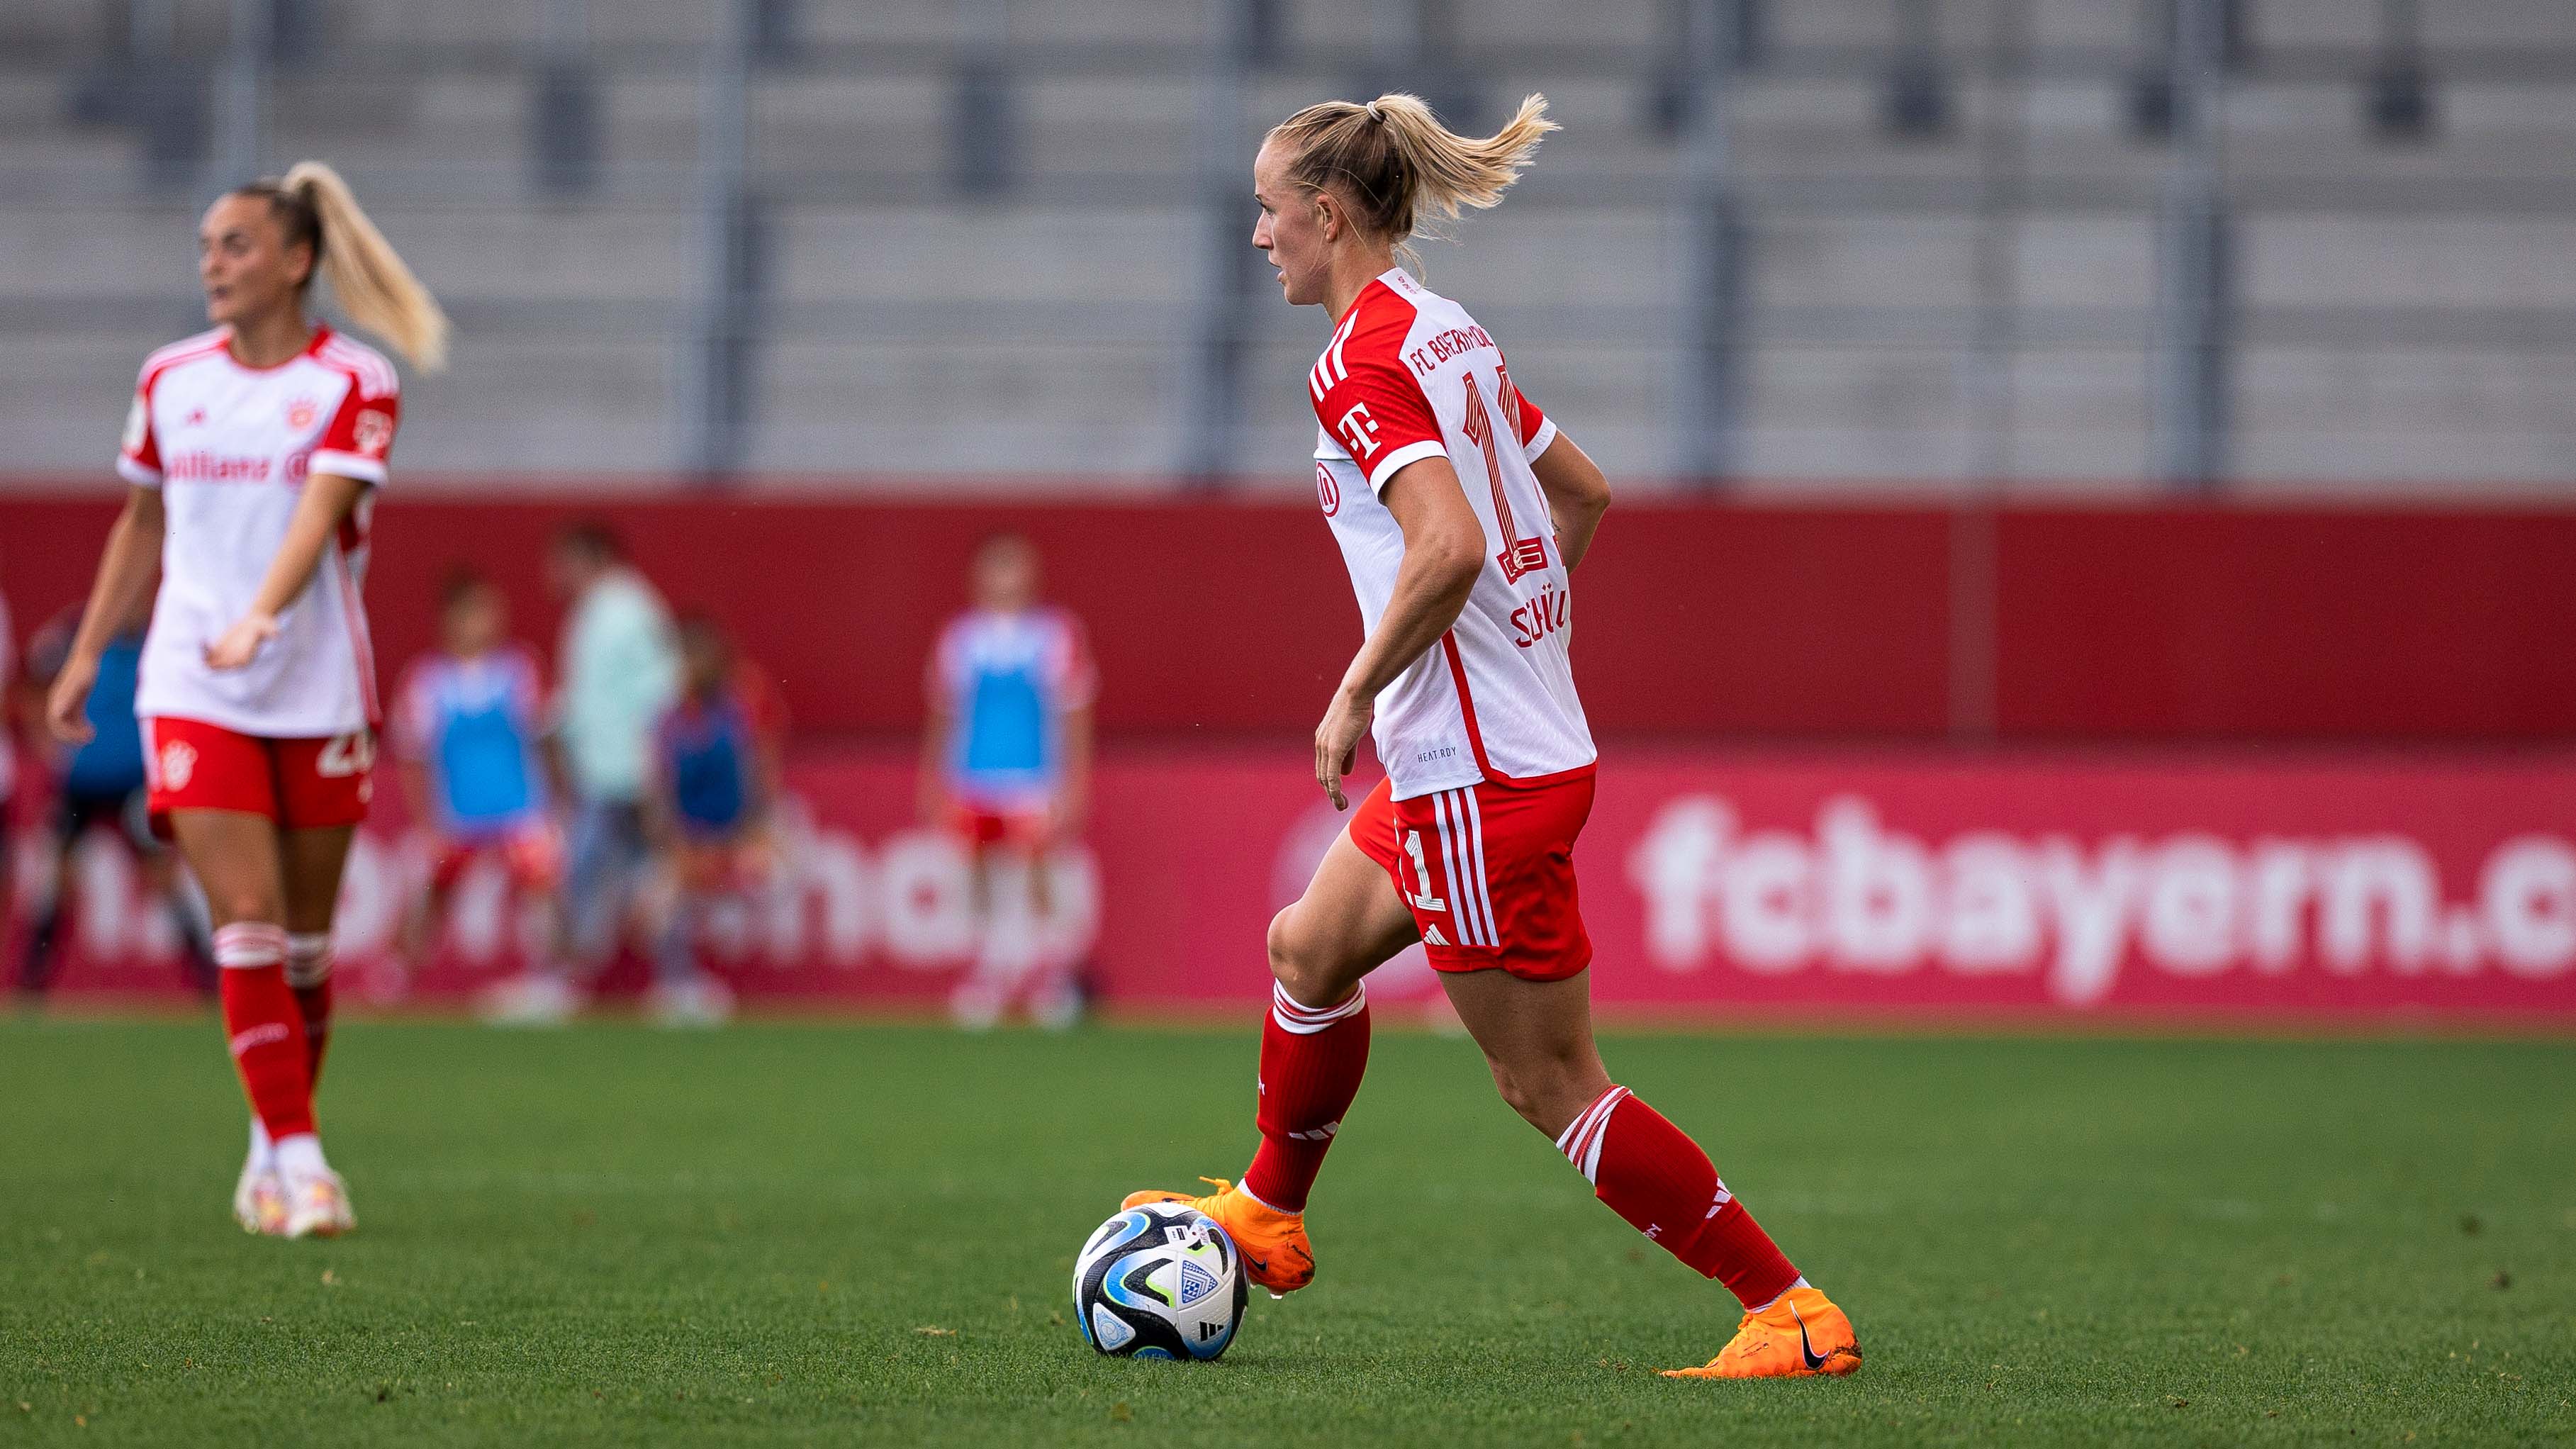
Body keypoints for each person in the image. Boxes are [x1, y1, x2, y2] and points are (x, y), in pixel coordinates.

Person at [1124, 95, 1861, 1379]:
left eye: (1268, 209)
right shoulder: (1440, 328)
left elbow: (1449, 541)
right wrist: (1522, 644)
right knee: (1306, 943)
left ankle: (1784, 1305)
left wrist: (1357, 687)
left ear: (1329, 214)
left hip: (1469, 777)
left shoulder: (1357, 359)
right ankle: (1268, 1209)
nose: (1257, 236)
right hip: (1476, 756)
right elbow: (1579, 489)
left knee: (1549, 1081)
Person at [45, 160, 447, 1239]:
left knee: (307, 951)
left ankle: (271, 1143)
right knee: (250, 924)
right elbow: (141, 520)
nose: (215, 266)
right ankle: (309, 1166)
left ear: (297, 259)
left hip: (314, 684)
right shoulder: (172, 378)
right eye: (207, 248)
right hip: (191, 680)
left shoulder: (354, 381)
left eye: (237, 246)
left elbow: (319, 515)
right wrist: (89, 655)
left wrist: (265, 612)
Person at [478, 522, 678, 1024]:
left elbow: (659, 695)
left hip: (621, 776)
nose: (555, 574)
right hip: (612, 772)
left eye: (563, 562)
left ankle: (560, 981)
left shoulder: (625, 610)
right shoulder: (607, 611)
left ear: (590, 558)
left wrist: (647, 770)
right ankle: (678, 983)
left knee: (582, 879)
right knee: (645, 879)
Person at [919, 535, 1097, 1029]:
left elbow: (1074, 711)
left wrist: (1074, 781)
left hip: (1034, 776)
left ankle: (1050, 979)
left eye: (1015, 569)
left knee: (1039, 876)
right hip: (973, 775)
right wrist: (933, 779)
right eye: (997, 569)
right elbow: (943, 712)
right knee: (978, 878)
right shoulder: (959, 638)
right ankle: (989, 975)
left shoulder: (1056, 634)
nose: (1006, 580)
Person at [16, 599, 218, 999]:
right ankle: (32, 980)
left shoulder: (158, 640)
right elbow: (30, 685)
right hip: (81, 781)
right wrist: (47, 742)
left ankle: (205, 977)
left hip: (134, 782)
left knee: (161, 874)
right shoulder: (78, 636)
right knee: (58, 876)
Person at [391, 571, 561, 988]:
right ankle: (397, 979)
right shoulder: (425, 681)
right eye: (476, 612)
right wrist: (426, 824)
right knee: (433, 897)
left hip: (520, 807)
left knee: (543, 896)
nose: (488, 621)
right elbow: (416, 760)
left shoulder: (521, 670)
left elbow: (544, 742)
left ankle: (554, 980)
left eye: (492, 611)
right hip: (457, 814)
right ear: (451, 619)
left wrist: (557, 805)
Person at [639, 614, 781, 1027]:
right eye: (682, 658)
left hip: (737, 836)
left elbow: (757, 776)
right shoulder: (667, 720)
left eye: (697, 657)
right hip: (689, 841)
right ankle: (677, 983)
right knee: (658, 900)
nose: (689, 667)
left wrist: (751, 831)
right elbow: (660, 790)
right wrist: (675, 844)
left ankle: (751, 984)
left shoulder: (739, 710)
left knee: (768, 872)